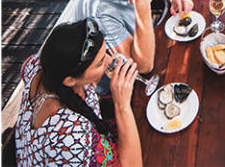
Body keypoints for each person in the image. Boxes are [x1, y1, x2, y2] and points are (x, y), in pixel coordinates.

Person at [15, 18, 144, 167]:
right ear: (69, 81)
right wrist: (122, 105)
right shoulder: (73, 134)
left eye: (106, 53)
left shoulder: (37, 65)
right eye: (101, 62)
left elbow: (25, 67)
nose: (111, 61)